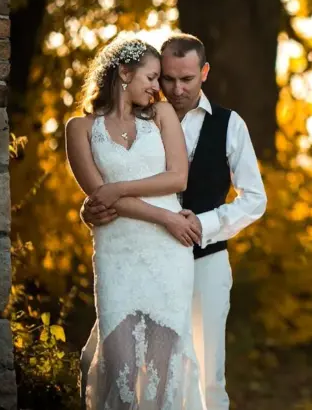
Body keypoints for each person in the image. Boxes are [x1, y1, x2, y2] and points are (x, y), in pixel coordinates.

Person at [82, 32, 267, 410]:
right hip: (142, 258)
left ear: (205, 73)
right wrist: (88, 208)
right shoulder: (139, 116)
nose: (176, 89)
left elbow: (255, 198)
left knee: (206, 375)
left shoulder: (230, 125)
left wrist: (205, 224)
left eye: (187, 79)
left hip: (206, 261)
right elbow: (107, 177)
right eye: (167, 79)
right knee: (113, 363)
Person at [67, 36, 204, 409]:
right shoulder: (79, 128)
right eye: (152, 77)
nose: (157, 87)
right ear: (124, 73)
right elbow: (98, 194)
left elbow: (177, 178)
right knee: (121, 369)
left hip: (166, 254)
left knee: (162, 374)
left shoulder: (160, 117)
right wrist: (164, 216)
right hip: (117, 253)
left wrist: (119, 189)